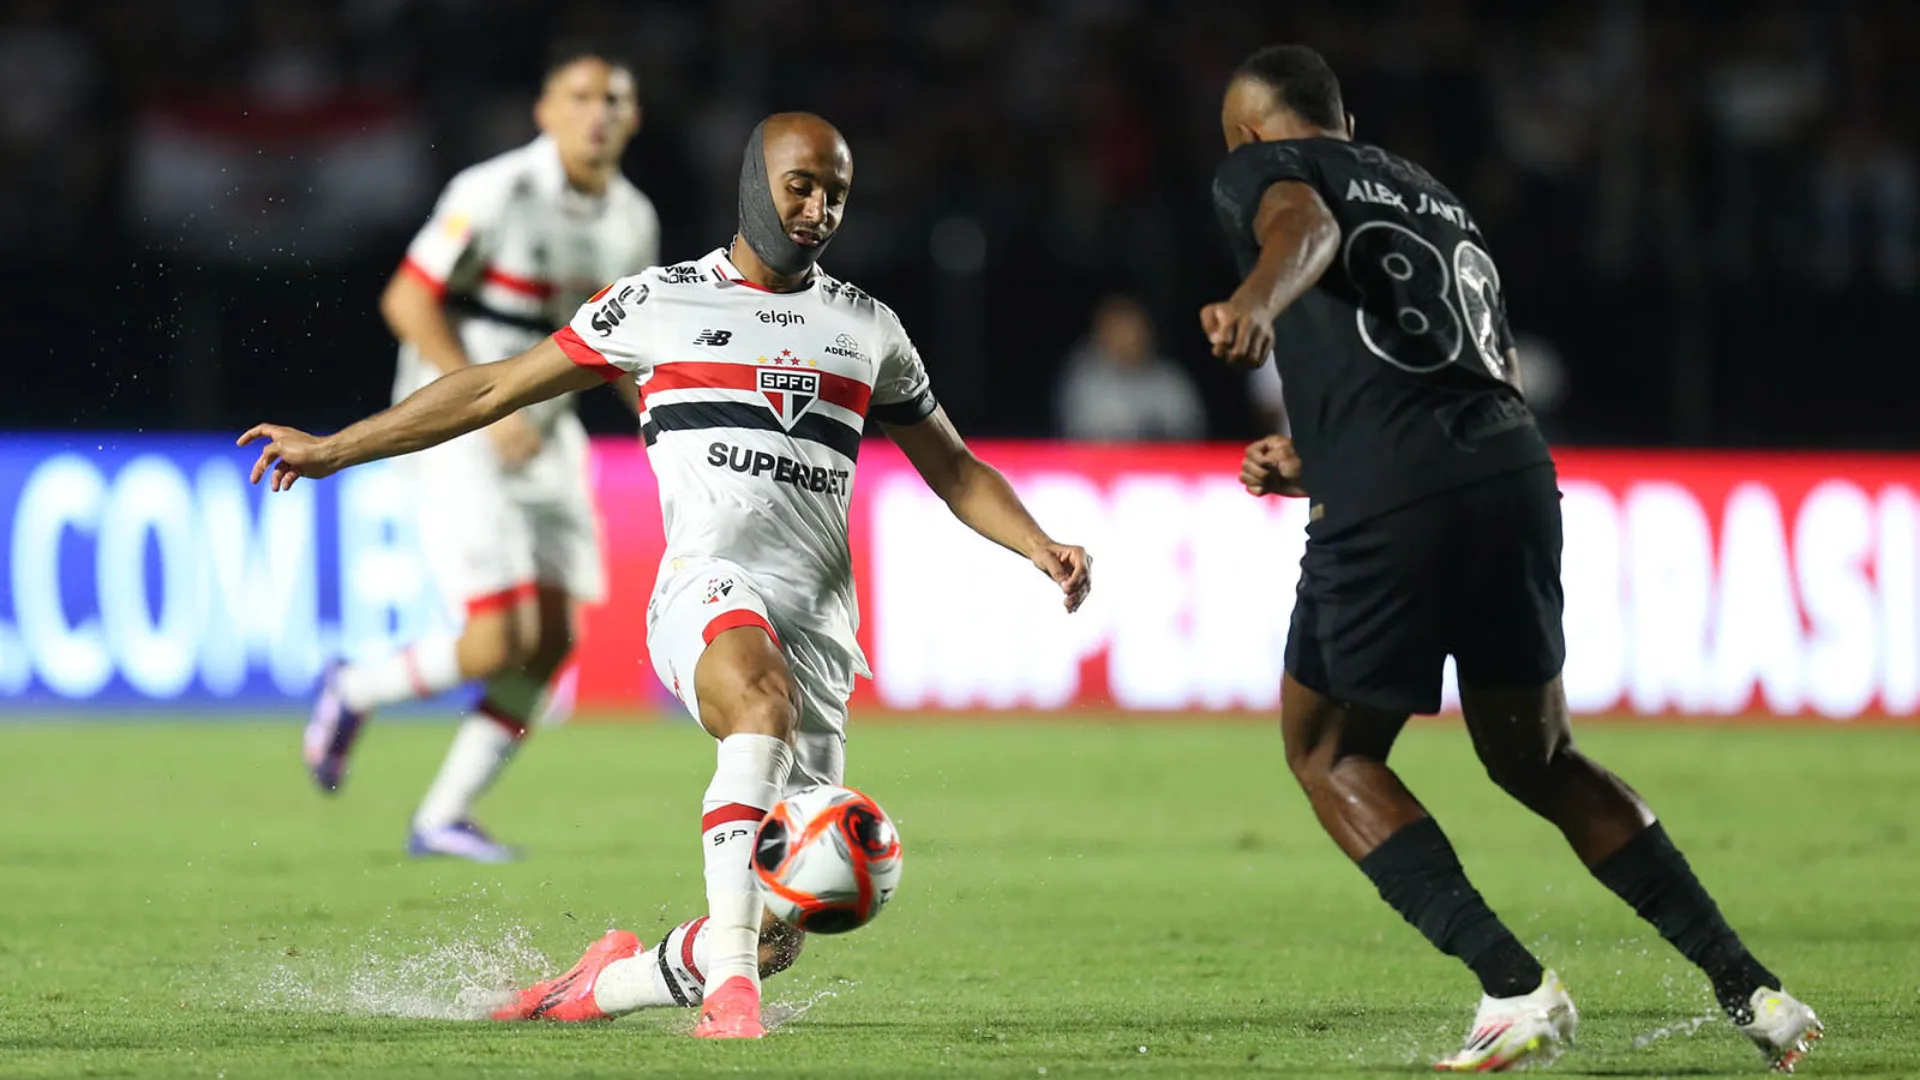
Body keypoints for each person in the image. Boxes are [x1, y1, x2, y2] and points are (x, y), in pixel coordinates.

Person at [239, 112, 1091, 1039]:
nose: (816, 210)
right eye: (800, 185)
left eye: (835, 194)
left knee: (781, 923)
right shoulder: (657, 303)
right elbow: (491, 388)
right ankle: (732, 999)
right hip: (707, 589)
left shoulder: (866, 329)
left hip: (818, 626)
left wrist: (1040, 545)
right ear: (752, 183)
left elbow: (957, 470)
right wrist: (335, 448)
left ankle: (597, 989)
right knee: (755, 705)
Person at [1206, 45, 1821, 1073]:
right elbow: (1460, 366)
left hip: (1401, 497)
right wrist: (1321, 457)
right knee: (1537, 756)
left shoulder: (1270, 174)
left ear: (1254, 133)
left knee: (1329, 752)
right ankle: (1749, 986)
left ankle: (1514, 986)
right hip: (1514, 476)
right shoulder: (1435, 197)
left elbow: (1300, 227)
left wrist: (1259, 300)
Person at [300, 49, 661, 863]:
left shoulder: (633, 219)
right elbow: (406, 296)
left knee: (556, 639)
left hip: (549, 428)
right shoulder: (493, 191)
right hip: (463, 423)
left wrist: (668, 425)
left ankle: (443, 816)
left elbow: (629, 352)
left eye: (614, 99)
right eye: (579, 96)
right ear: (545, 111)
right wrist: (479, 402)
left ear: (634, 119)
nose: (597, 112)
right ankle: (353, 687)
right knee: (497, 641)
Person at [1055, 295, 1206, 441]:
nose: (1126, 337)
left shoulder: (1171, 380)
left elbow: (1190, 434)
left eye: (1132, 326)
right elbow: (1082, 438)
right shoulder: (1083, 381)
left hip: (1163, 465)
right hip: (1103, 465)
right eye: (1115, 327)